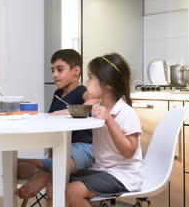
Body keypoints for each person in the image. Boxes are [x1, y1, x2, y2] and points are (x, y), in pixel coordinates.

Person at [61, 53, 144, 207]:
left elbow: (128, 152)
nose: (86, 82)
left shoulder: (126, 112)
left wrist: (109, 120)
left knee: (73, 191)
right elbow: (77, 110)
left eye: (90, 77)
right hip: (101, 169)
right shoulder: (98, 108)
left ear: (109, 85)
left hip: (123, 174)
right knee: (59, 180)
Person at [15, 49, 97, 200]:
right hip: (60, 150)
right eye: (53, 70)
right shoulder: (57, 94)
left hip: (82, 148)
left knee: (57, 176)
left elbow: (94, 99)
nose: (54, 74)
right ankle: (41, 175)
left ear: (76, 71)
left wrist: (70, 111)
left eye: (60, 70)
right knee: (12, 165)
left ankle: (48, 176)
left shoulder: (81, 91)